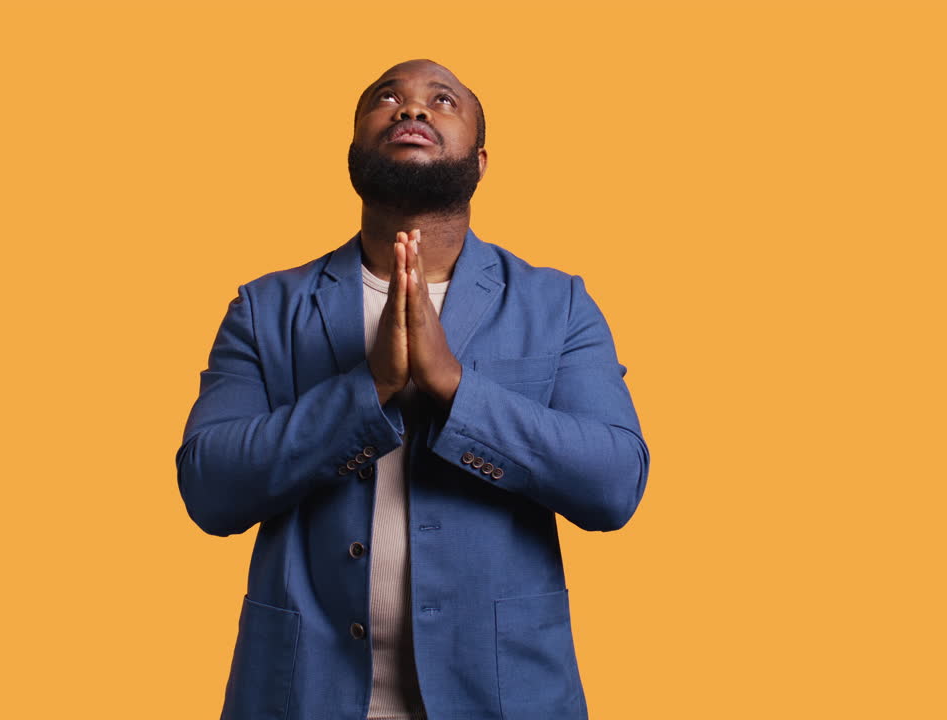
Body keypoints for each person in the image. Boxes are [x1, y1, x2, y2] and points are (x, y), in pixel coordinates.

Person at [176, 58, 649, 720]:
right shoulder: (265, 308)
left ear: (479, 161)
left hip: (506, 698)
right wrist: (366, 390)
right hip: (299, 697)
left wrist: (453, 386)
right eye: (388, 99)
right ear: (352, 153)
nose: (413, 109)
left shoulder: (558, 305)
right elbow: (209, 488)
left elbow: (614, 484)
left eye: (442, 101)